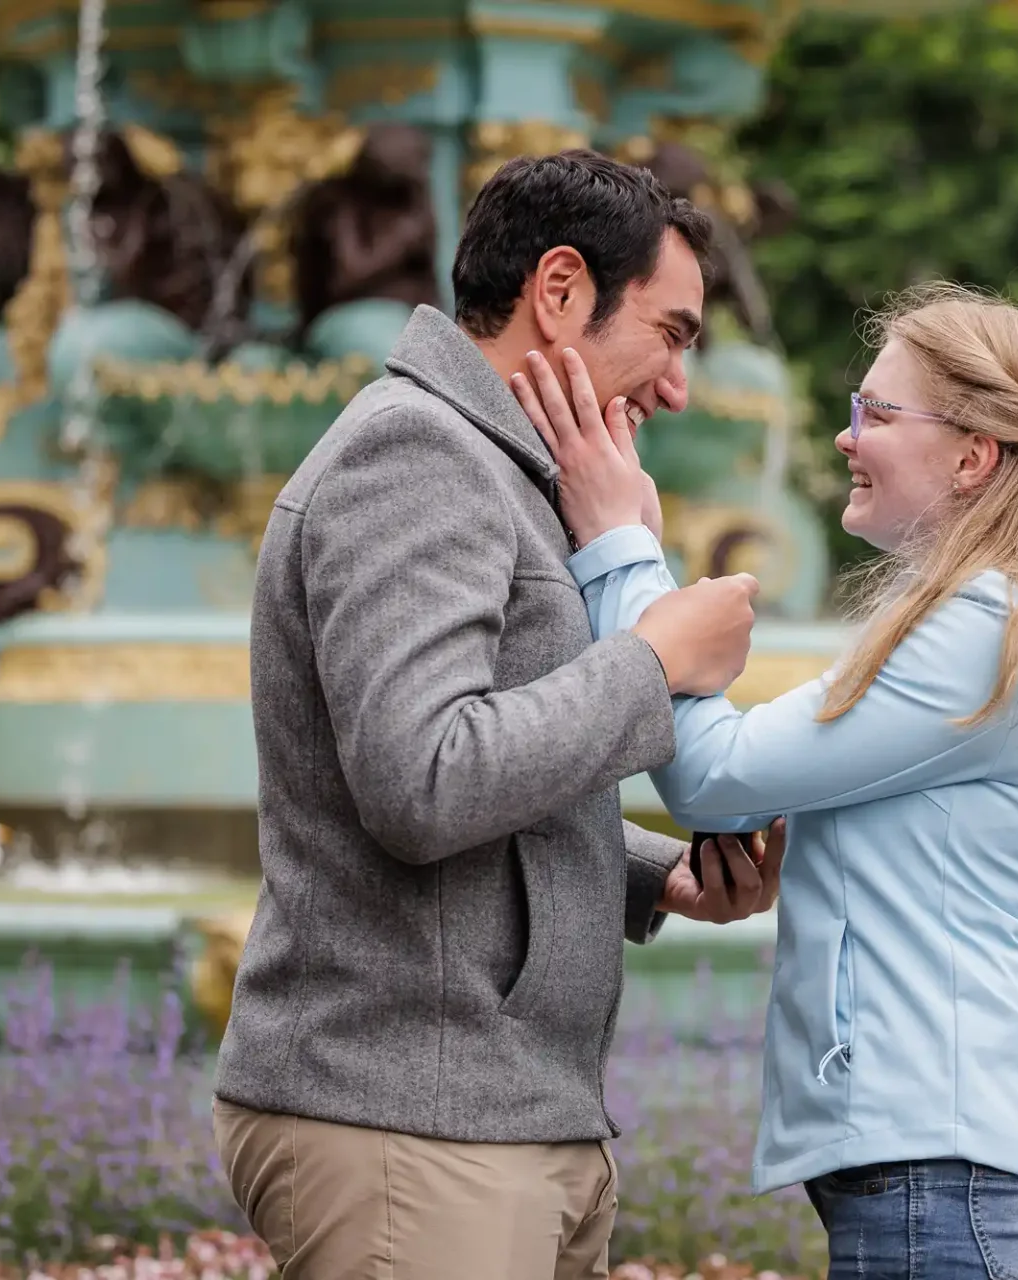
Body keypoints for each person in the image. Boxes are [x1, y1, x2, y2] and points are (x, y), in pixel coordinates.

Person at [513, 282, 1018, 1280]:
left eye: (876, 411)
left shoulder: (988, 627)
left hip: (950, 1176)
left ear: (973, 454)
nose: (843, 435)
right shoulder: (1011, 623)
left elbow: (714, 777)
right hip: (965, 1172)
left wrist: (623, 548)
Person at [211, 150, 783, 1280]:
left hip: (496, 1122)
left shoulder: (501, 471)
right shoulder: (416, 452)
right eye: (672, 333)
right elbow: (422, 780)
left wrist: (647, 873)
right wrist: (652, 662)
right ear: (559, 290)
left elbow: (463, 761)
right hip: (409, 1124)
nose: (678, 386)